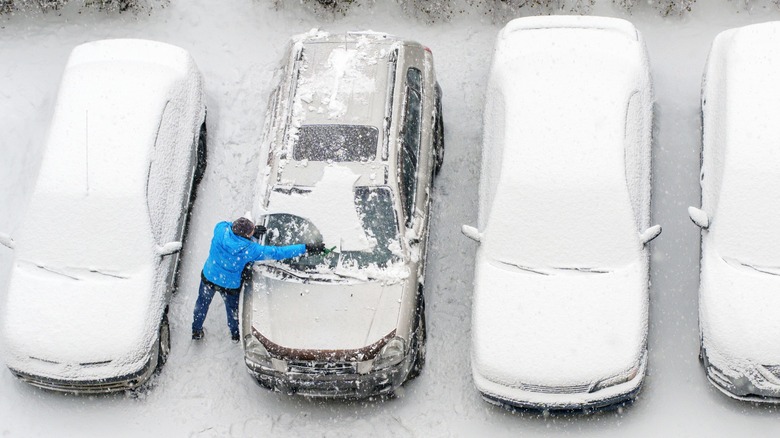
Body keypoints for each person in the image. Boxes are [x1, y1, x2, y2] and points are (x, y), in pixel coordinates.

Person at [192, 217, 325, 342]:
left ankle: (196, 330)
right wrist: (305, 248)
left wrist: (251, 231)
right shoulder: (249, 250)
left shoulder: (220, 230)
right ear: (246, 236)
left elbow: (227, 224)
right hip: (229, 285)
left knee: (202, 304)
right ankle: (235, 334)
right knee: (232, 311)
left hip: (209, 276)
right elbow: (277, 252)